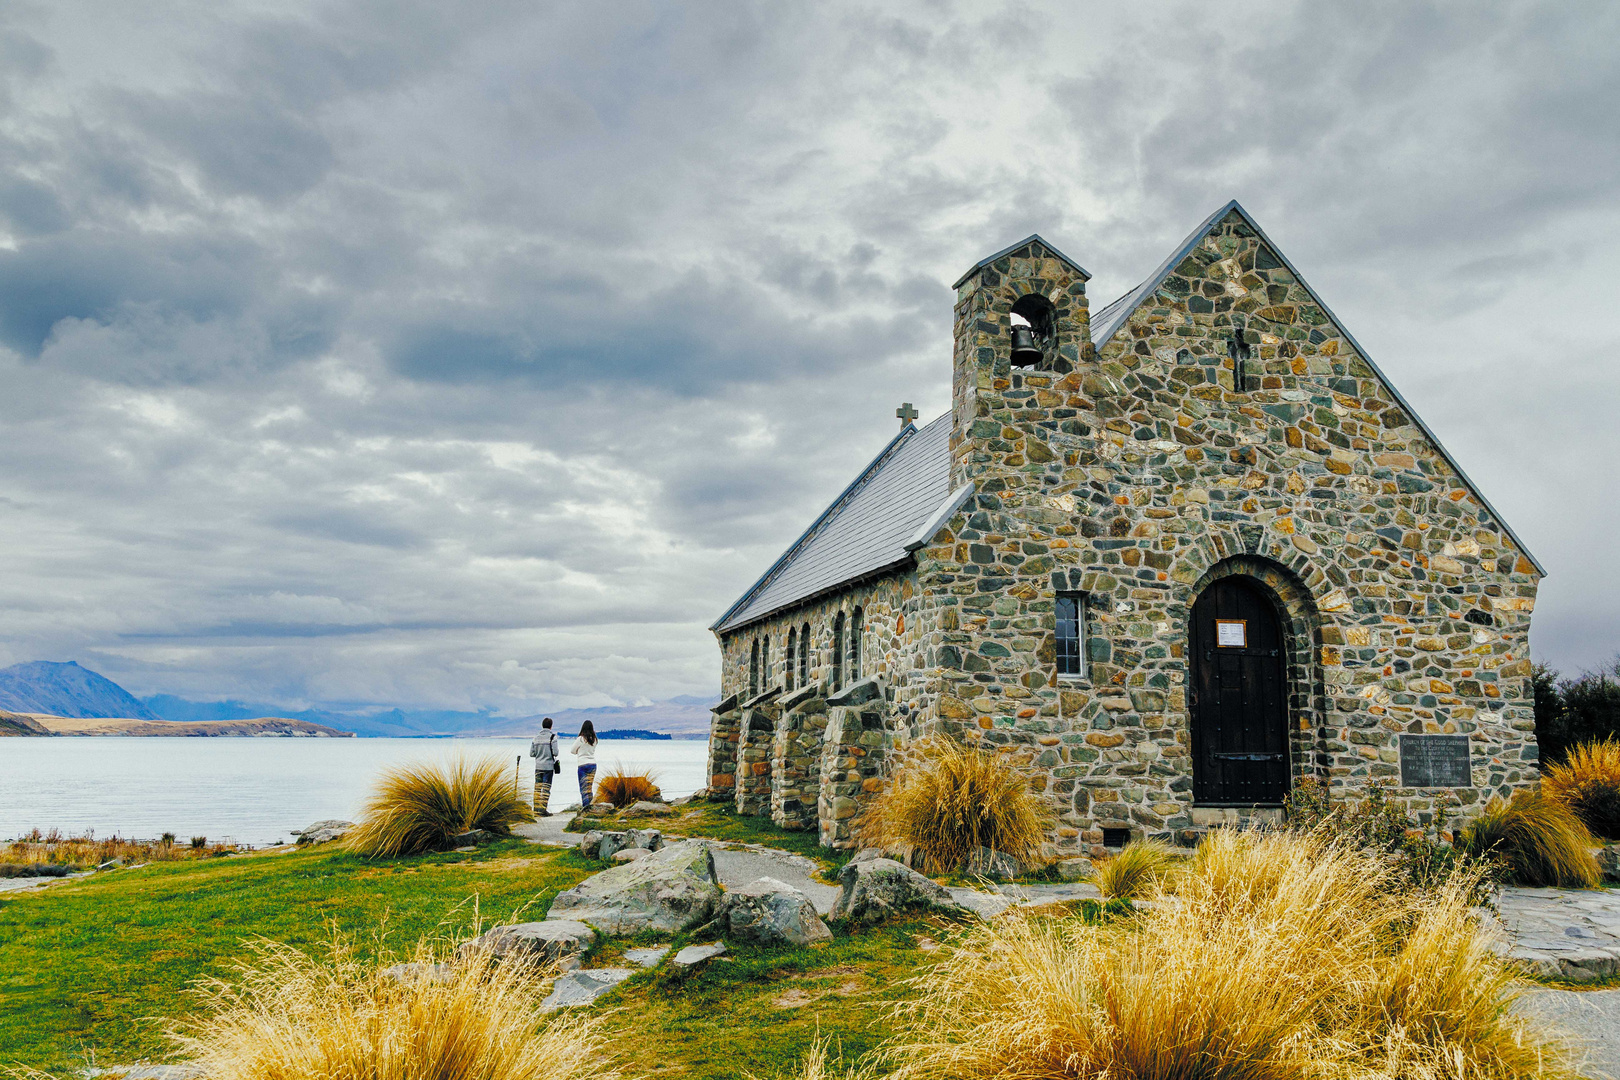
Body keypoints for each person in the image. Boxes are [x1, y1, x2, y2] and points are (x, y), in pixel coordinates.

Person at [529, 717, 560, 817]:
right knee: (546, 789)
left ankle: (536, 810)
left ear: (542, 725)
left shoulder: (536, 738)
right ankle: (543, 810)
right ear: (551, 726)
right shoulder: (552, 738)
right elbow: (555, 752)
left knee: (537, 788)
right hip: (548, 767)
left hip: (538, 766)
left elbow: (531, 753)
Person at [572, 719, 599, 810]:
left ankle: (586, 808)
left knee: (583, 788)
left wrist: (580, 752)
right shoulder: (594, 739)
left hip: (582, 764)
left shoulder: (580, 739)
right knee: (589, 787)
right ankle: (590, 807)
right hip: (592, 764)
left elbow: (572, 750)